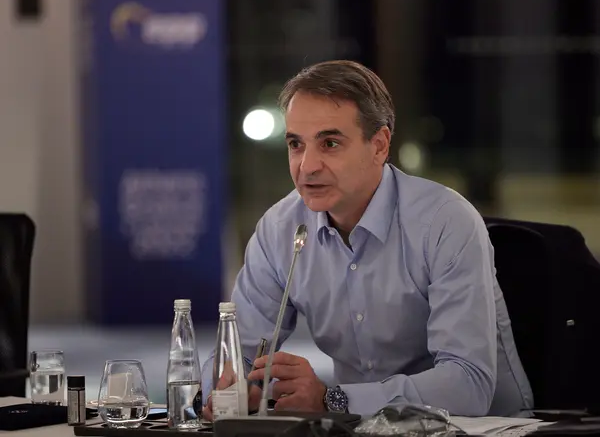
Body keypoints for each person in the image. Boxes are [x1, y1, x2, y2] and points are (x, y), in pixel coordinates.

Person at [202, 60, 533, 419]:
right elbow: (236, 356)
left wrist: (333, 400)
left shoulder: (445, 222)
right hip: (359, 427)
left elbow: (467, 386)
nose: (307, 166)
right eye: (296, 144)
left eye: (330, 143)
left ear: (379, 145)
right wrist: (227, 389)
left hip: (479, 427)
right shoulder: (280, 229)